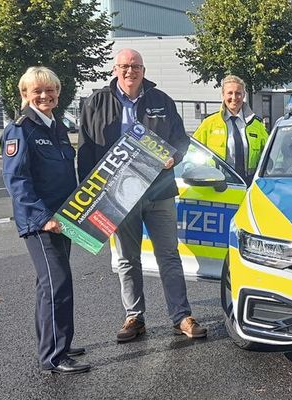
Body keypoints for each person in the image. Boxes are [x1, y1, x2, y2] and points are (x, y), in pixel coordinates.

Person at [78, 48, 207, 342]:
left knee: (169, 255)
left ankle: (181, 316)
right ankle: (134, 317)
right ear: (115, 69)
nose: (130, 71)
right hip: (117, 196)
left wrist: (174, 156)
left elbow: (181, 140)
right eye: (124, 66)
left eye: (135, 66)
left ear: (144, 70)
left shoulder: (161, 101)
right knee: (127, 258)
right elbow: (85, 149)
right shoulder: (97, 102)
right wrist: (88, 192)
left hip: (158, 191)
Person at [1, 67, 89, 374]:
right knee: (57, 283)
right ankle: (55, 354)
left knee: (48, 284)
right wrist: (44, 217)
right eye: (37, 91)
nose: (44, 96)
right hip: (41, 222)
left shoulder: (57, 127)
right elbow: (17, 182)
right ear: (24, 94)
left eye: (50, 90)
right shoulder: (21, 130)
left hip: (63, 219)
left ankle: (55, 342)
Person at [193, 74, 268, 182]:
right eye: (230, 93)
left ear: (243, 95)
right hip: (218, 186)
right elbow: (192, 152)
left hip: (250, 185)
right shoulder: (209, 123)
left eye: (238, 93)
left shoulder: (257, 125)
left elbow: (271, 154)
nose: (234, 97)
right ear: (223, 95)